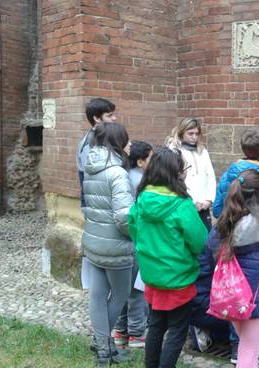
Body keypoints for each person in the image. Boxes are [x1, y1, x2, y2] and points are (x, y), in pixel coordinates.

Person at [129, 146, 209, 368]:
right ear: (175, 173)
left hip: (152, 275)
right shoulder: (182, 205)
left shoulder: (141, 199)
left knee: (155, 326)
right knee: (176, 329)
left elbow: (134, 231)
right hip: (178, 277)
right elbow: (199, 241)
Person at [207, 169, 259, 368]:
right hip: (257, 296)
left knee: (245, 342)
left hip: (230, 295)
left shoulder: (223, 224)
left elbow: (211, 248)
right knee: (249, 348)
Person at [81, 122, 134, 365]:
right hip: (115, 245)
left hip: (93, 240)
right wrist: (134, 235)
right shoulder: (117, 172)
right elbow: (123, 217)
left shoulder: (91, 167)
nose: (129, 144)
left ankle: (103, 348)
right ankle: (103, 344)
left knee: (98, 294)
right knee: (121, 294)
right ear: (117, 142)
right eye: (126, 139)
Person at [113, 140, 152, 349]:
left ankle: (120, 330)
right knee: (137, 290)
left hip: (120, 241)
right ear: (140, 161)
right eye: (151, 158)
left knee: (122, 289)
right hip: (135, 240)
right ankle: (137, 333)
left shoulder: (123, 175)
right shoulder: (141, 182)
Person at [213, 128, 259, 219]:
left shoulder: (226, 175)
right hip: (256, 229)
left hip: (230, 229)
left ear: (242, 148)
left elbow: (217, 211)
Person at [166, 117, 217, 230]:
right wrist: (192, 202)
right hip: (184, 205)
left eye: (197, 134)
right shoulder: (174, 151)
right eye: (190, 133)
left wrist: (208, 199)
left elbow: (210, 176)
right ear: (181, 132)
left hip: (203, 206)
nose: (194, 137)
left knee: (205, 238)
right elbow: (174, 180)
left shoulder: (202, 151)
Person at [77, 98, 117, 207]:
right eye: (109, 116)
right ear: (97, 118)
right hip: (96, 201)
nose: (114, 118)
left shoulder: (108, 136)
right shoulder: (89, 144)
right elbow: (92, 179)